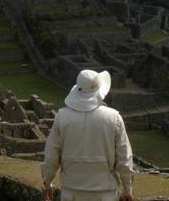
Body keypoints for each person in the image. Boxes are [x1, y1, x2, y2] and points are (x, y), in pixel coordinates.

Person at [40, 69, 135, 201]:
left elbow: (51, 156)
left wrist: (47, 184)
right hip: (105, 194)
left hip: (71, 193)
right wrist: (127, 189)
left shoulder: (62, 117)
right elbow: (125, 159)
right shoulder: (113, 118)